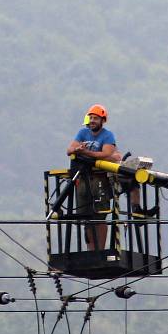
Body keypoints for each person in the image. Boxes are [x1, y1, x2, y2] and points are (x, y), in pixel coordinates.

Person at [66, 104, 118, 250]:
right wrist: (77, 149)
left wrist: (86, 153)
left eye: (96, 118)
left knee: (100, 216)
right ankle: (91, 250)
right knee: (86, 216)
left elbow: (106, 154)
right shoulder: (83, 133)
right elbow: (69, 150)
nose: (93, 121)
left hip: (100, 179)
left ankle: (100, 251)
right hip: (83, 179)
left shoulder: (108, 135)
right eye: (91, 118)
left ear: (103, 120)